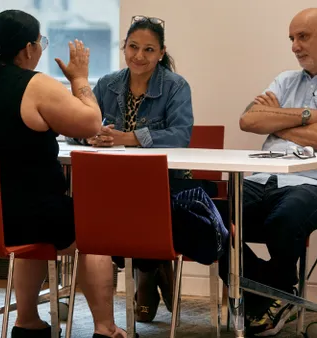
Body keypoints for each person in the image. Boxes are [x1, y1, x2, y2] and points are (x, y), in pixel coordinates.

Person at [0, 10, 129, 338]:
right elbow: (90, 123)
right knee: (96, 228)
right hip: (26, 213)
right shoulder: (34, 85)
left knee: (38, 225)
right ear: (28, 49)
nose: (42, 50)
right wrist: (80, 80)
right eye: (41, 43)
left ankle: (28, 323)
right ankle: (106, 328)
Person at [220, 8, 317, 336]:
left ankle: (262, 294)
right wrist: (311, 114)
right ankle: (275, 291)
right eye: (292, 38)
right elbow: (248, 120)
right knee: (206, 218)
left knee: (284, 219)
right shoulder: (284, 80)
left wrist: (278, 121)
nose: (294, 46)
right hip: (263, 177)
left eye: (302, 37)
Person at [68, 15, 221, 323]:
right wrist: (91, 134)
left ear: (161, 53)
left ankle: (149, 268)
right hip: (115, 182)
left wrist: (129, 138)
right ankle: (153, 266)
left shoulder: (176, 86)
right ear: (124, 47)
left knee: (144, 208)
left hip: (165, 183)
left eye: (148, 50)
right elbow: (78, 124)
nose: (139, 56)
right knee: (100, 208)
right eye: (133, 47)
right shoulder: (108, 84)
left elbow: (181, 135)